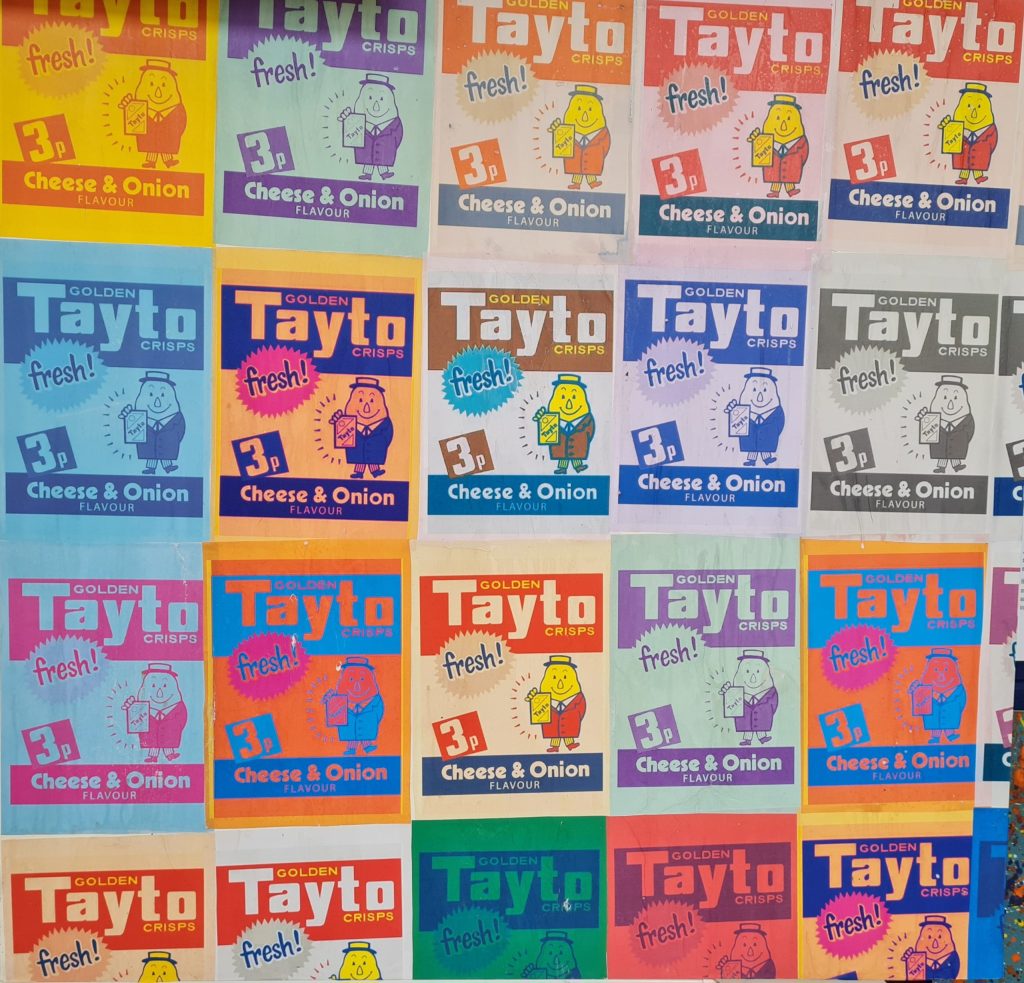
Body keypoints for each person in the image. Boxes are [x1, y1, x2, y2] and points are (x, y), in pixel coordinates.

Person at [120, 59, 187, 169]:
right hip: (149, 137)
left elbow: (182, 123)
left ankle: (168, 160)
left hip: (168, 138)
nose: (158, 93)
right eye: (151, 84)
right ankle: (151, 161)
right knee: (151, 145)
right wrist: (129, 106)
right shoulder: (141, 108)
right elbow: (133, 122)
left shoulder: (176, 109)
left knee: (165, 146)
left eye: (164, 85)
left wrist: (176, 133)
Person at [119, 371, 186, 475]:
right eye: (151, 394)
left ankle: (168, 466)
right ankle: (151, 468)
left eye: (163, 395)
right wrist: (129, 416)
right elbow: (132, 433)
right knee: (151, 455)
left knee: (165, 455)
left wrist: (173, 440)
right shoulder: (139, 418)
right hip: (149, 448)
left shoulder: (176, 418)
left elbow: (180, 432)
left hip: (167, 448)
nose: (157, 402)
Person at [122, 663, 187, 764]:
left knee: (168, 743)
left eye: (165, 686)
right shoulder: (143, 708)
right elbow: (136, 722)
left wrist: (174, 725)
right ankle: (153, 756)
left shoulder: (177, 707)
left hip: (169, 737)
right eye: (153, 685)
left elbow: (182, 720)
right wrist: (132, 707)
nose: (159, 693)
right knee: (153, 744)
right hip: (151, 737)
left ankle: (169, 754)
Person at [549, 84, 610, 189]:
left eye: (590, 109)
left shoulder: (602, 134)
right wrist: (558, 129)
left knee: (590, 170)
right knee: (576, 168)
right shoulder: (567, 132)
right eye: (579, 108)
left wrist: (598, 154)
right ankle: (576, 183)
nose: (584, 117)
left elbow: (606, 148)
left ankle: (592, 182)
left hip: (593, 162)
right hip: (574, 162)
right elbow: (560, 146)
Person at [748, 94, 809, 198]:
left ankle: (791, 189)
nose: (783, 126)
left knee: (789, 177)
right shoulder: (766, 141)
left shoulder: (801, 143)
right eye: (777, 118)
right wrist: (757, 139)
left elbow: (804, 156)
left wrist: (797, 162)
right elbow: (759, 155)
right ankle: (775, 191)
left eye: (789, 119)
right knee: (775, 177)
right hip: (773, 170)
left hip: (791, 171)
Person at [725, 367, 785, 467]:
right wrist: (733, 410)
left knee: (765, 447)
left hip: (767, 439)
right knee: (752, 446)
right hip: (750, 440)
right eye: (754, 389)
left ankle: (767, 458)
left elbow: (780, 425)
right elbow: (736, 425)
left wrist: (773, 432)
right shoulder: (742, 411)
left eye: (765, 390)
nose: (759, 397)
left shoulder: (776, 412)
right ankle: (751, 460)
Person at [939, 82, 997, 185]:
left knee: (977, 164)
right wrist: (947, 126)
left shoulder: (990, 130)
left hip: (979, 156)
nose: (973, 113)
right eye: (968, 106)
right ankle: (964, 178)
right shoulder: (957, 128)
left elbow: (993, 143)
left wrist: (984, 148)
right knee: (964, 163)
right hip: (963, 155)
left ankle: (978, 177)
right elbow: (950, 142)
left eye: (979, 107)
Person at [526, 655, 586, 752]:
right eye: (554, 677)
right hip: (552, 727)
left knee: (568, 733)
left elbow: (582, 712)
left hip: (570, 726)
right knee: (554, 733)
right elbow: (538, 712)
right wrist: (534, 699)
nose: (560, 685)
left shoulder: (578, 699)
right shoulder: (543, 700)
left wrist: (575, 718)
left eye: (565, 677)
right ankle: (555, 746)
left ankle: (570, 744)